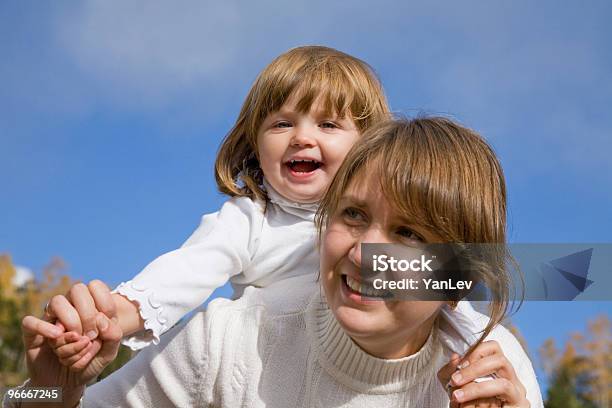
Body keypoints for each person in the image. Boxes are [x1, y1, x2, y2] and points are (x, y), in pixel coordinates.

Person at [11, 117, 544, 407]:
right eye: (353, 214)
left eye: (408, 233)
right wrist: (48, 394)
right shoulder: (226, 341)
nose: (363, 254)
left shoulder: (495, 378)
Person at [37, 44, 391, 364]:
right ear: (255, 143)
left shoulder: (388, 221)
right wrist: (109, 316)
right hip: (272, 374)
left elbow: (438, 282)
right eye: (282, 124)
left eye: (328, 124)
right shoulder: (250, 221)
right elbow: (184, 272)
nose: (301, 137)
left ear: (369, 146)